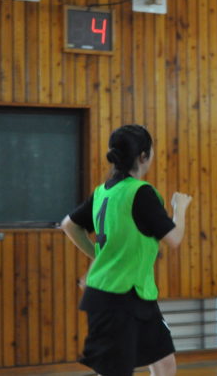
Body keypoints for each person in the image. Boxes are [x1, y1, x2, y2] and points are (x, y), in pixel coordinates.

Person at [60, 124, 194, 376]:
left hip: (138, 296)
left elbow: (69, 225)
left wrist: (100, 257)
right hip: (115, 299)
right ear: (144, 156)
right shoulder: (140, 193)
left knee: (165, 364)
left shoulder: (103, 192)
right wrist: (180, 209)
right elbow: (174, 238)